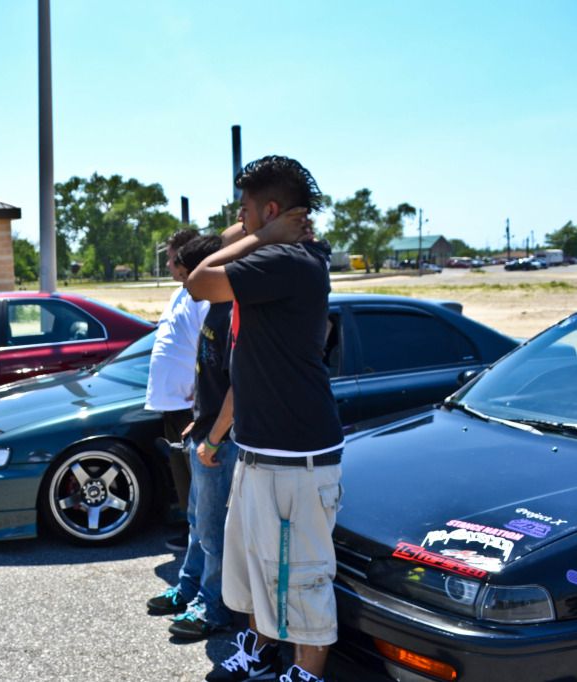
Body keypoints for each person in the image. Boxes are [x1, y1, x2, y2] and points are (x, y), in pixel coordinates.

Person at [187, 156, 343, 682]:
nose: (238, 220)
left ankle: (307, 673)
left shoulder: (290, 262)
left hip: (295, 459)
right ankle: (258, 651)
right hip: (260, 453)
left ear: (271, 211)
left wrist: (267, 232)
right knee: (254, 569)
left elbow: (199, 280)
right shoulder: (279, 251)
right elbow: (229, 237)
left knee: (301, 578)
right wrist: (264, 226)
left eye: (247, 209)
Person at [146, 234, 238, 642]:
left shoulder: (229, 314)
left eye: (190, 275)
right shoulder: (212, 308)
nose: (184, 282)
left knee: (213, 528)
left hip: (219, 439)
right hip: (202, 427)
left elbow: (239, 385)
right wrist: (199, 420)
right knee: (197, 520)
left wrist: (214, 435)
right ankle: (189, 587)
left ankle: (213, 606)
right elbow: (208, 377)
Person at [145, 228, 209, 552]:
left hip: (190, 403)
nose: (169, 265)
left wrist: (201, 393)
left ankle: (200, 544)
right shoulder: (179, 293)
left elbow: (209, 348)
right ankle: (191, 537)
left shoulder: (203, 297)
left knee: (199, 481)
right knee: (183, 479)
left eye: (172, 259)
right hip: (171, 402)